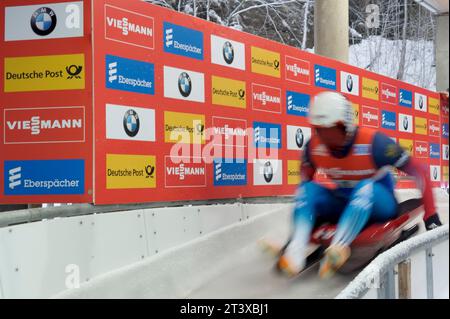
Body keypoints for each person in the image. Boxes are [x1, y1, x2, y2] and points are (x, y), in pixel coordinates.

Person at [277, 91, 443, 279]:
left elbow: (419, 171)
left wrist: (431, 215)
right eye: (320, 130)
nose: (326, 137)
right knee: (307, 190)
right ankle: (296, 251)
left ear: (345, 125)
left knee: (365, 186)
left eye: (332, 130)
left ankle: (339, 247)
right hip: (344, 201)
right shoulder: (313, 147)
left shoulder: (376, 143)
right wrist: (306, 221)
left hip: (380, 203)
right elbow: (306, 181)